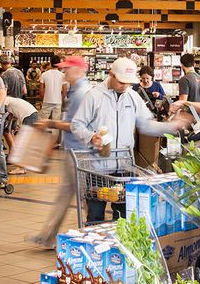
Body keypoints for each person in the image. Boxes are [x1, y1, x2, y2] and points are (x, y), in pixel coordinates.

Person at [71, 57, 188, 224]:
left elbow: (145, 125)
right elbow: (77, 124)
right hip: (97, 168)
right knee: (95, 216)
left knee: (124, 217)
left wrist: (172, 126)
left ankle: (119, 248)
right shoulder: (94, 96)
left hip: (124, 166)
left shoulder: (132, 97)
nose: (124, 86)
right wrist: (91, 137)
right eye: (121, 82)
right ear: (111, 75)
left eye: (128, 83)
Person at [24, 57, 92, 248]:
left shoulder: (81, 94)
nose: (64, 72)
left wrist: (50, 123)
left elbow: (77, 126)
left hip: (80, 153)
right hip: (72, 150)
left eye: (67, 69)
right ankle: (48, 236)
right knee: (66, 196)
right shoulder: (74, 90)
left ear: (79, 71)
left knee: (85, 198)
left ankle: (97, 234)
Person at [39, 55, 66, 121]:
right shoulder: (62, 76)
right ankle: (55, 131)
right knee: (56, 122)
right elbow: (65, 91)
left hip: (46, 100)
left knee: (43, 121)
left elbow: (41, 90)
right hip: (58, 101)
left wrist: (42, 99)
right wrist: (61, 99)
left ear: (50, 63)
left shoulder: (44, 74)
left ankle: (43, 131)